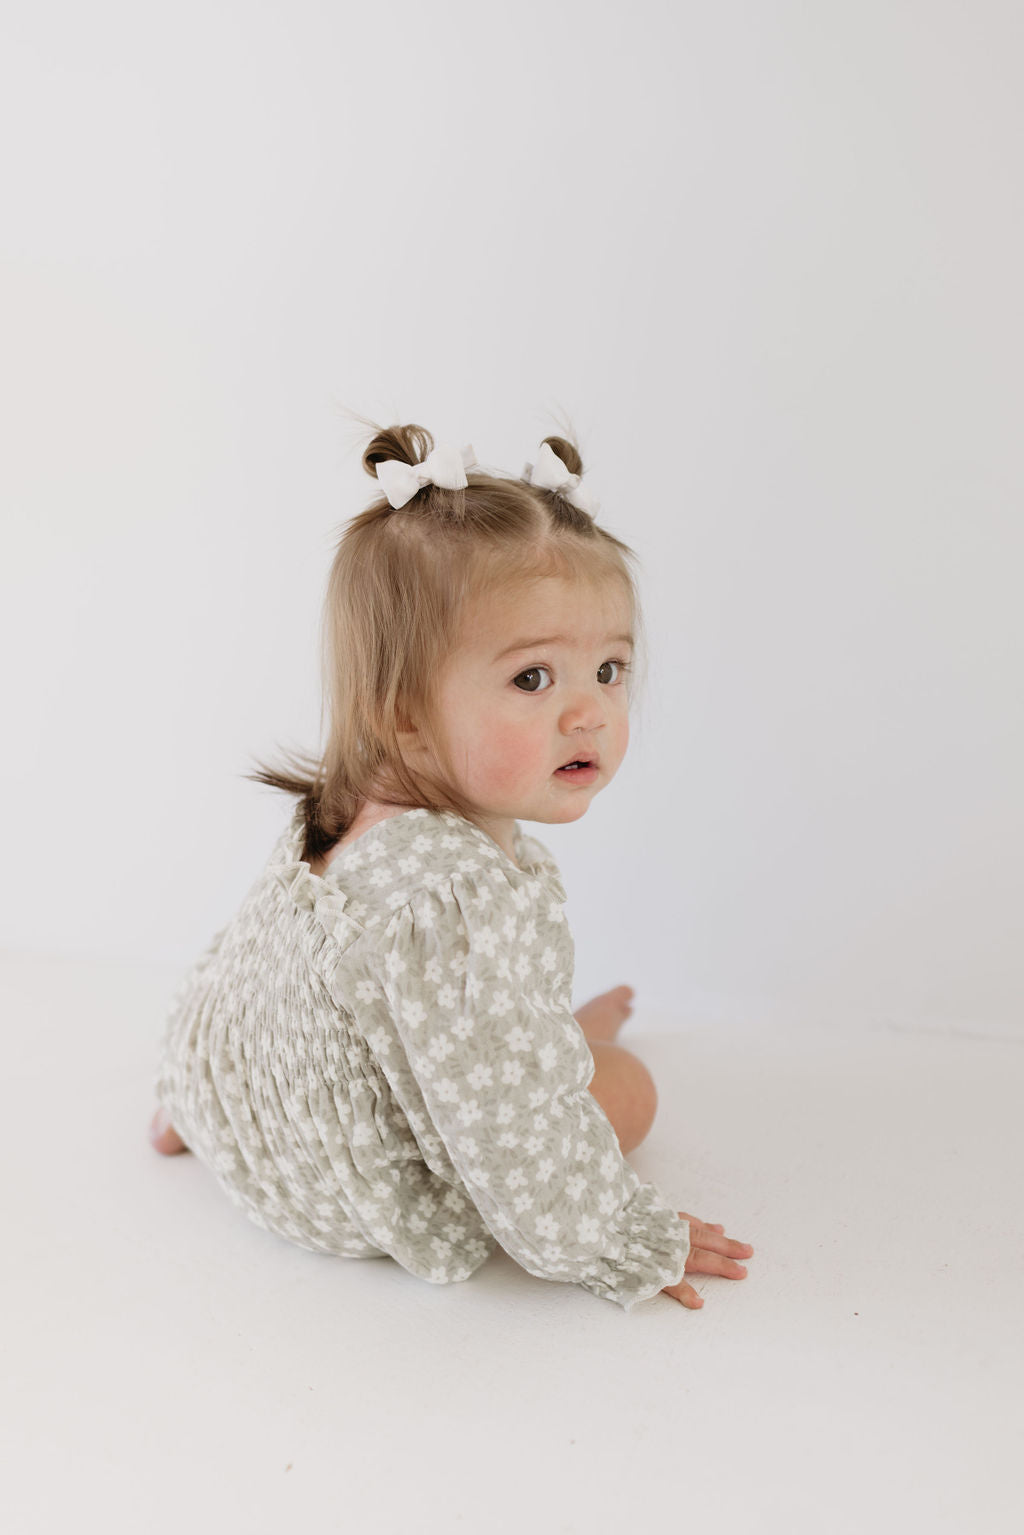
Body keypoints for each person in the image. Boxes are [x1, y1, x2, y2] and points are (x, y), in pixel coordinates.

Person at [148, 420, 754, 1312]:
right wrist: (623, 1235)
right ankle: (569, 1048)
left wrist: (197, 1090)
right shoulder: (451, 900)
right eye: (533, 679)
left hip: (230, 1101)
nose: (589, 712)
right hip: (355, 1191)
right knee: (628, 1090)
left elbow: (256, 963)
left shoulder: (342, 809)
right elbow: (510, 1139)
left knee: (503, 1038)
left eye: (611, 668)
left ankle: (184, 1123)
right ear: (405, 713)